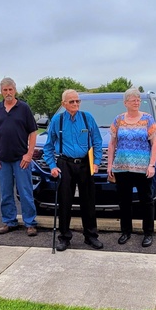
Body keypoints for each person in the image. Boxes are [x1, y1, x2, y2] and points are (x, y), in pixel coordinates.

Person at [42, 89, 104, 252]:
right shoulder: (57, 120)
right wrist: (52, 166)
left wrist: (96, 162)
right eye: (71, 102)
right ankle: (64, 237)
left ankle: (91, 236)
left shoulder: (87, 118)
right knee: (64, 201)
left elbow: (97, 141)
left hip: (85, 164)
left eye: (77, 101)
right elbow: (48, 146)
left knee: (88, 201)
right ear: (64, 104)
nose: (75, 104)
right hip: (64, 164)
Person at [107, 87, 156, 248]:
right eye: (133, 100)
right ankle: (126, 231)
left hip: (142, 168)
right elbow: (112, 143)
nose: (136, 102)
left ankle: (148, 233)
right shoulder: (118, 120)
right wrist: (110, 165)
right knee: (124, 202)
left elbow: (155, 143)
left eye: (138, 100)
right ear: (125, 103)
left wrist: (151, 165)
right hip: (122, 168)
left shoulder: (148, 119)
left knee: (146, 201)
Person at [0, 77, 39, 237]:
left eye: (10, 89)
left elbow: (32, 132)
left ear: (15, 90)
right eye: (5, 90)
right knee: (5, 193)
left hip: (21, 159)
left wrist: (29, 154)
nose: (8, 92)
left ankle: (30, 223)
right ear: (1, 92)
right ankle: (10, 221)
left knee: (25, 192)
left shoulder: (24, 108)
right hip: (2, 159)